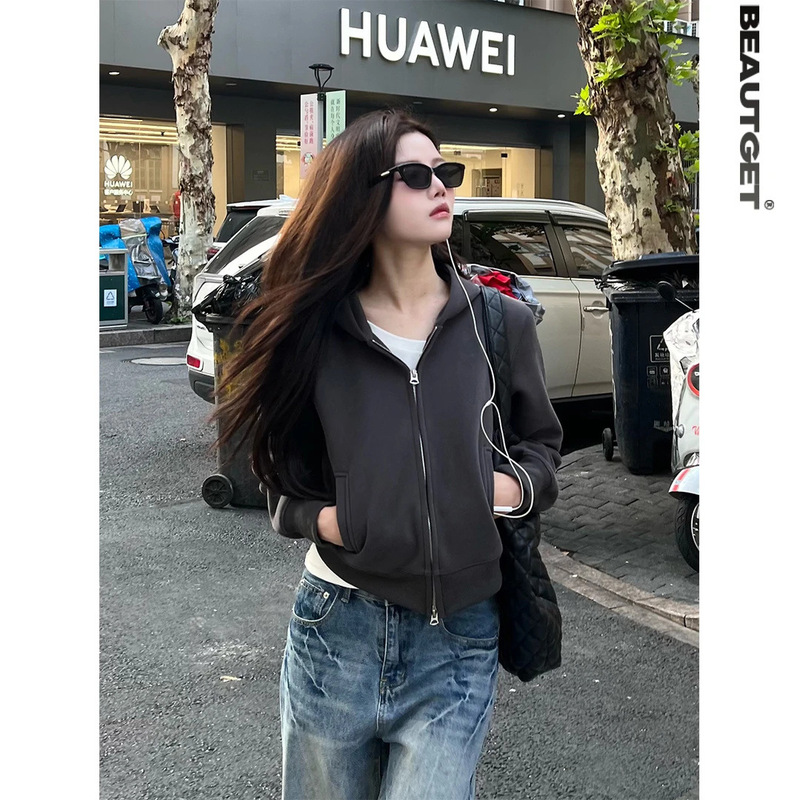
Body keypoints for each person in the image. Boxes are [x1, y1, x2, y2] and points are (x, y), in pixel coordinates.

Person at [213, 109, 563, 800]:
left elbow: (541, 444)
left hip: (461, 634)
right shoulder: (313, 329)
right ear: (359, 197)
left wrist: (510, 489)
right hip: (336, 626)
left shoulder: (501, 322)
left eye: (445, 171)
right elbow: (276, 467)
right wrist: (324, 520)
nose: (441, 186)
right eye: (414, 174)